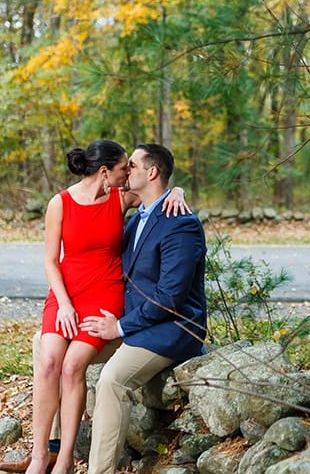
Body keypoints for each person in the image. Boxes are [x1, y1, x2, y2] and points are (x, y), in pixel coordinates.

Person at [18, 140, 188, 474]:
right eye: (125, 167)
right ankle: (40, 456)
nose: (128, 172)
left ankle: (65, 458)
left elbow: (160, 190)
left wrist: (179, 191)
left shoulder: (122, 197)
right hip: (66, 293)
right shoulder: (60, 203)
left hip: (105, 292)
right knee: (50, 359)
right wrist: (64, 306)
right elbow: (51, 261)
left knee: (72, 366)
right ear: (104, 171)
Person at [80, 143, 207, 474]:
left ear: (151, 172)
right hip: (134, 323)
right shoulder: (136, 219)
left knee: (111, 380)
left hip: (172, 329)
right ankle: (53, 450)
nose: (126, 170)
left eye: (132, 165)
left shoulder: (181, 223)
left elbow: (170, 298)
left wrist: (119, 328)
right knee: (56, 348)